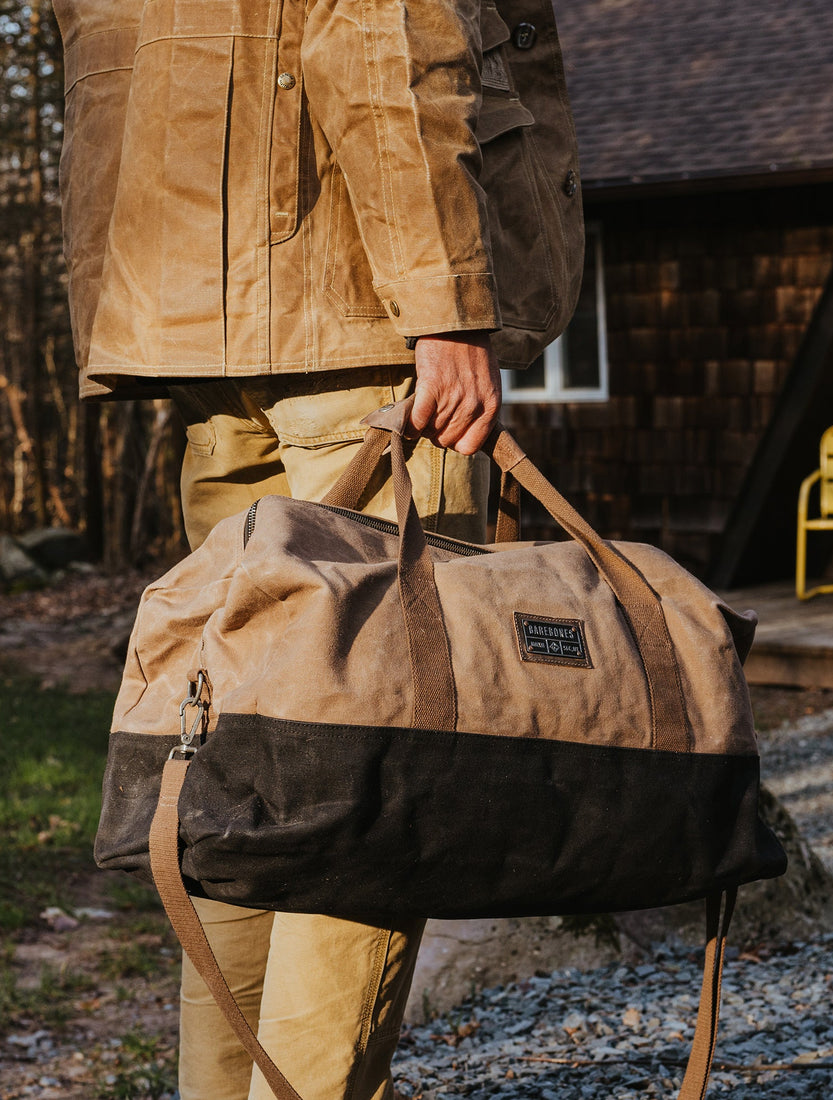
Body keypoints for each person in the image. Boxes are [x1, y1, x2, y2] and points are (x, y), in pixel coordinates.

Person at [51, 0, 583, 1096]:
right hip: (358, 307)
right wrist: (446, 301)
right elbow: (382, 24)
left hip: (201, 311)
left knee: (251, 761)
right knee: (370, 765)